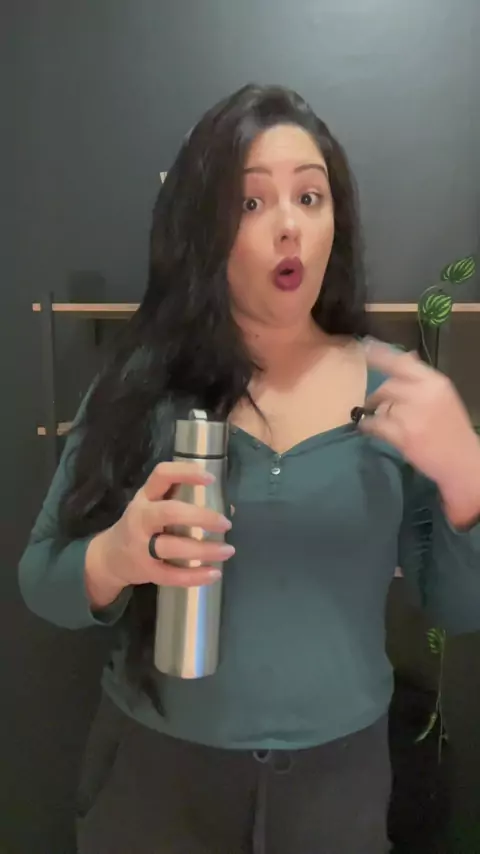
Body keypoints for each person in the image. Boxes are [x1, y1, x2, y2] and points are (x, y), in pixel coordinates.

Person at [19, 83, 480, 854]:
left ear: (337, 220)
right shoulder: (142, 383)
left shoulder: (399, 388)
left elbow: (462, 608)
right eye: (252, 202)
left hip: (338, 790)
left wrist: (468, 479)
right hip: (156, 784)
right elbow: (41, 577)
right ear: (206, 228)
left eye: (310, 196)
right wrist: (116, 557)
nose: (289, 225)